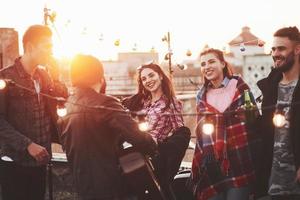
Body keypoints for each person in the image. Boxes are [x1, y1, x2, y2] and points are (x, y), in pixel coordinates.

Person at [58, 54, 157, 200]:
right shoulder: (105, 103)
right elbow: (138, 137)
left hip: (83, 188)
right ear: (100, 77)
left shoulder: (67, 107)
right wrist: (153, 144)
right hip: (111, 187)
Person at [0, 24, 68, 200]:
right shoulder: (5, 78)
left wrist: (55, 78)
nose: (51, 51)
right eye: (47, 46)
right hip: (14, 161)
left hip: (40, 161)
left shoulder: (44, 76)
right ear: (30, 47)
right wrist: (27, 145)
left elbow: (58, 105)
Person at [189, 48, 258, 200]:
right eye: (203, 64)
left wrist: (247, 115)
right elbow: (201, 131)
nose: (207, 67)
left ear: (222, 63)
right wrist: (207, 158)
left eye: (212, 61)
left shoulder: (239, 86)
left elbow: (254, 121)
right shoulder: (201, 95)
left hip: (239, 158)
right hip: (213, 162)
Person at [122, 63, 190, 199]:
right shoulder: (142, 101)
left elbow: (180, 133)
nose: (148, 80)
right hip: (135, 152)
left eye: (151, 75)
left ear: (160, 76)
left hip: (153, 156)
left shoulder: (171, 103)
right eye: (144, 79)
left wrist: (161, 145)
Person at [256, 26, 300, 200]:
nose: (275, 53)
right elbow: (266, 131)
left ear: (297, 49)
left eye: (281, 48)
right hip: (273, 182)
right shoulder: (270, 87)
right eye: (273, 49)